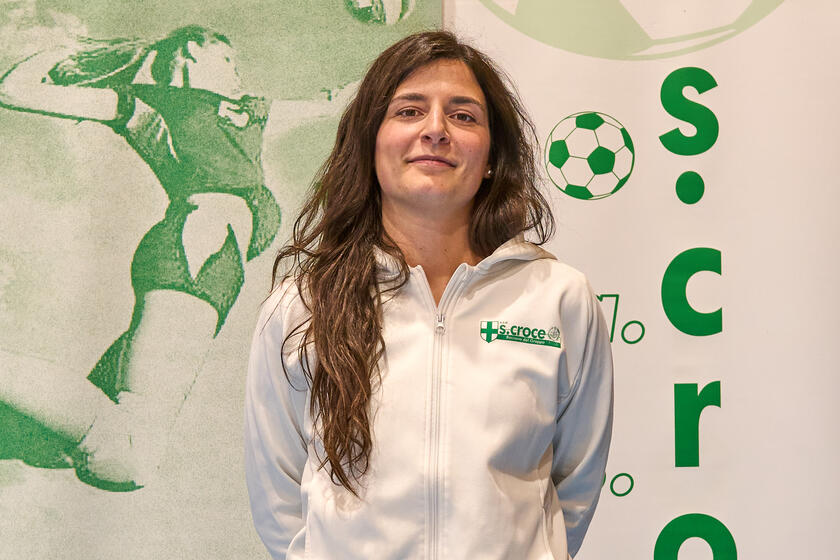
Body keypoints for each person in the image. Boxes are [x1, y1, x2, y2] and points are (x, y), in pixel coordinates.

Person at [244, 31, 614, 559]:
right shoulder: (303, 304)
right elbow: (279, 499)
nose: (436, 129)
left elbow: (574, 488)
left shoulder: (559, 299)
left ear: (492, 156)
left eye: (463, 116)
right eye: (409, 111)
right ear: (371, 142)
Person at [0, 25, 350, 490]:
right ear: (189, 54)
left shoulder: (249, 114)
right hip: (193, 250)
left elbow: (335, 102)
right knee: (126, 452)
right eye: (227, 60)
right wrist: (71, 54)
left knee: (52, 449)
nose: (237, 73)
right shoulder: (150, 105)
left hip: (211, 269)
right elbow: (15, 91)